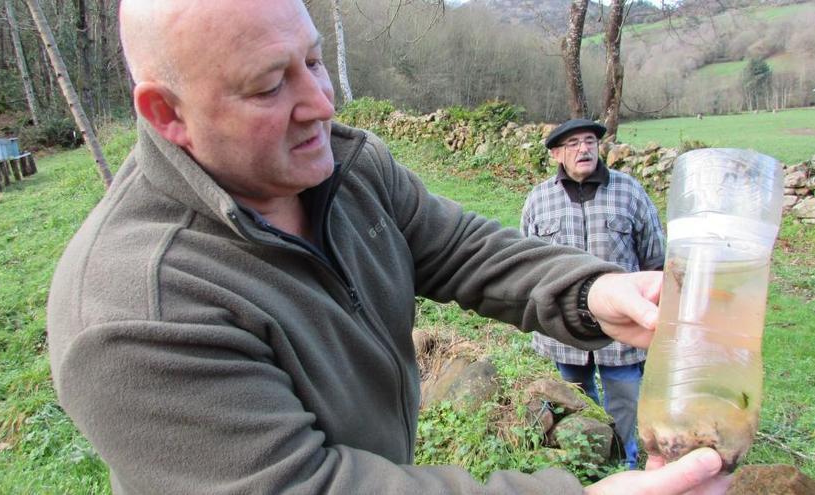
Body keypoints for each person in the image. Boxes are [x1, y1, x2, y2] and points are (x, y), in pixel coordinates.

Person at [46, 1, 728, 494]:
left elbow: (456, 246)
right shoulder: (135, 309)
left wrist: (590, 291)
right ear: (167, 114)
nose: (320, 102)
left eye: (312, 60)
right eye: (267, 86)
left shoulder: (344, 166)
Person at [521, 119, 666, 470]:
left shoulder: (629, 192)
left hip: (624, 331)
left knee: (625, 402)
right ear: (556, 154)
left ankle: (626, 463)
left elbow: (655, 258)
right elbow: (527, 265)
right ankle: (590, 465)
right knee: (576, 401)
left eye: (588, 141)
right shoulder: (539, 200)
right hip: (565, 331)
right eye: (572, 144)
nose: (583, 149)